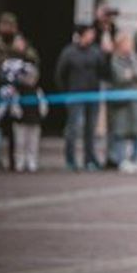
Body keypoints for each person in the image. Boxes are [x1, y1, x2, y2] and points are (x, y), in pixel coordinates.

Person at [55, 25, 107, 171]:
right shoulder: (69, 52)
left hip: (93, 95)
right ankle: (70, 160)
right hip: (75, 94)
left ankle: (89, 160)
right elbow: (60, 74)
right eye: (89, 33)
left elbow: (104, 72)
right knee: (73, 128)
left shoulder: (96, 51)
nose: (92, 36)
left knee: (90, 130)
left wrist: (106, 54)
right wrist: (66, 92)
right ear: (81, 35)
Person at [0, 36, 46, 173]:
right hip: (10, 99)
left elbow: (35, 76)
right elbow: (0, 75)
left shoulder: (30, 59)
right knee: (15, 136)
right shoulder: (5, 59)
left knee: (31, 138)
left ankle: (30, 162)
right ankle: (15, 161)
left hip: (30, 108)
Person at [108, 32, 137, 173]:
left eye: (130, 44)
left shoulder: (135, 58)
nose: (128, 46)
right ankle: (122, 160)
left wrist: (131, 73)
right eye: (125, 44)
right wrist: (133, 74)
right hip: (122, 104)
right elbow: (120, 77)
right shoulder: (115, 60)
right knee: (121, 132)